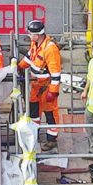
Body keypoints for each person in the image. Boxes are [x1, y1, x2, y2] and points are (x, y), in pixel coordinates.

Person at [18, 20, 62, 151]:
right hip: (36, 86)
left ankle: (51, 140)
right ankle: (34, 135)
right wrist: (19, 67)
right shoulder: (35, 44)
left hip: (46, 88)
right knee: (34, 113)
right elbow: (29, 58)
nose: (29, 36)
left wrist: (53, 92)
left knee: (50, 114)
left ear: (38, 35)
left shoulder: (50, 49)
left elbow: (56, 74)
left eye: (31, 34)